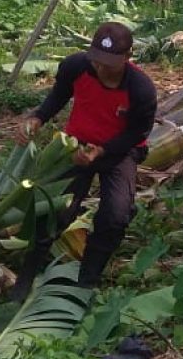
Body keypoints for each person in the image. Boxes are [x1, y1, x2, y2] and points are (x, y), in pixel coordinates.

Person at [16, 21, 157, 291]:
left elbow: (137, 132)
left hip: (119, 151)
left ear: (128, 57)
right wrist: (38, 117)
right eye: (97, 60)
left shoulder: (141, 89)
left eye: (109, 63)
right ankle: (26, 278)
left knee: (115, 216)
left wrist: (102, 151)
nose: (101, 68)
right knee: (55, 210)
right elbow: (59, 96)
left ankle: (86, 282)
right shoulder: (76, 66)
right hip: (77, 145)